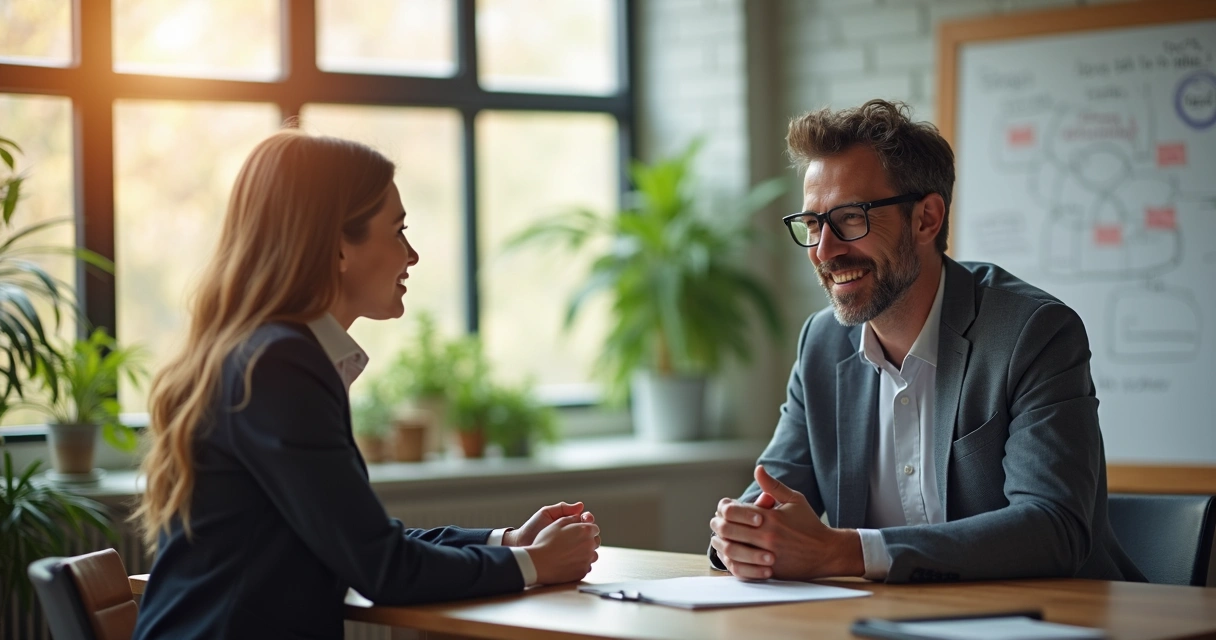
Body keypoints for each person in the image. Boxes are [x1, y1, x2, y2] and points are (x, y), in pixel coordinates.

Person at [132, 130, 600, 639]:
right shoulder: (279, 365)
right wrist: (533, 565)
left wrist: (507, 541)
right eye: (397, 231)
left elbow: (362, 539)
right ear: (337, 245)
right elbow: (383, 568)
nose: (412, 255)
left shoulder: (268, 354)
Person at [708, 100, 1144, 584]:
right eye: (812, 224)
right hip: (890, 622)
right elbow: (772, 493)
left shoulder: (1034, 334)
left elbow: (1053, 527)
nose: (825, 251)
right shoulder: (821, 343)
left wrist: (846, 552)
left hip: (1055, 623)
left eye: (850, 218)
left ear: (926, 219)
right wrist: (743, 534)